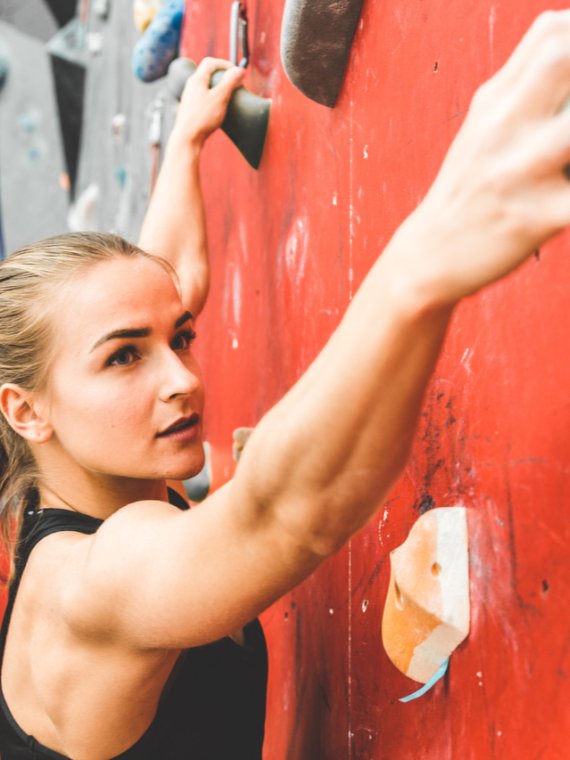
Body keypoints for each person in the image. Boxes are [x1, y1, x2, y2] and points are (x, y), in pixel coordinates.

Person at [1, 10, 570, 758]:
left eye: (180, 339)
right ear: (25, 409)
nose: (182, 380)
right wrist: (432, 247)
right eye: (123, 359)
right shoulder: (89, 585)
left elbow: (167, 277)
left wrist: (186, 141)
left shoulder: (80, 480)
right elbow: (281, 517)